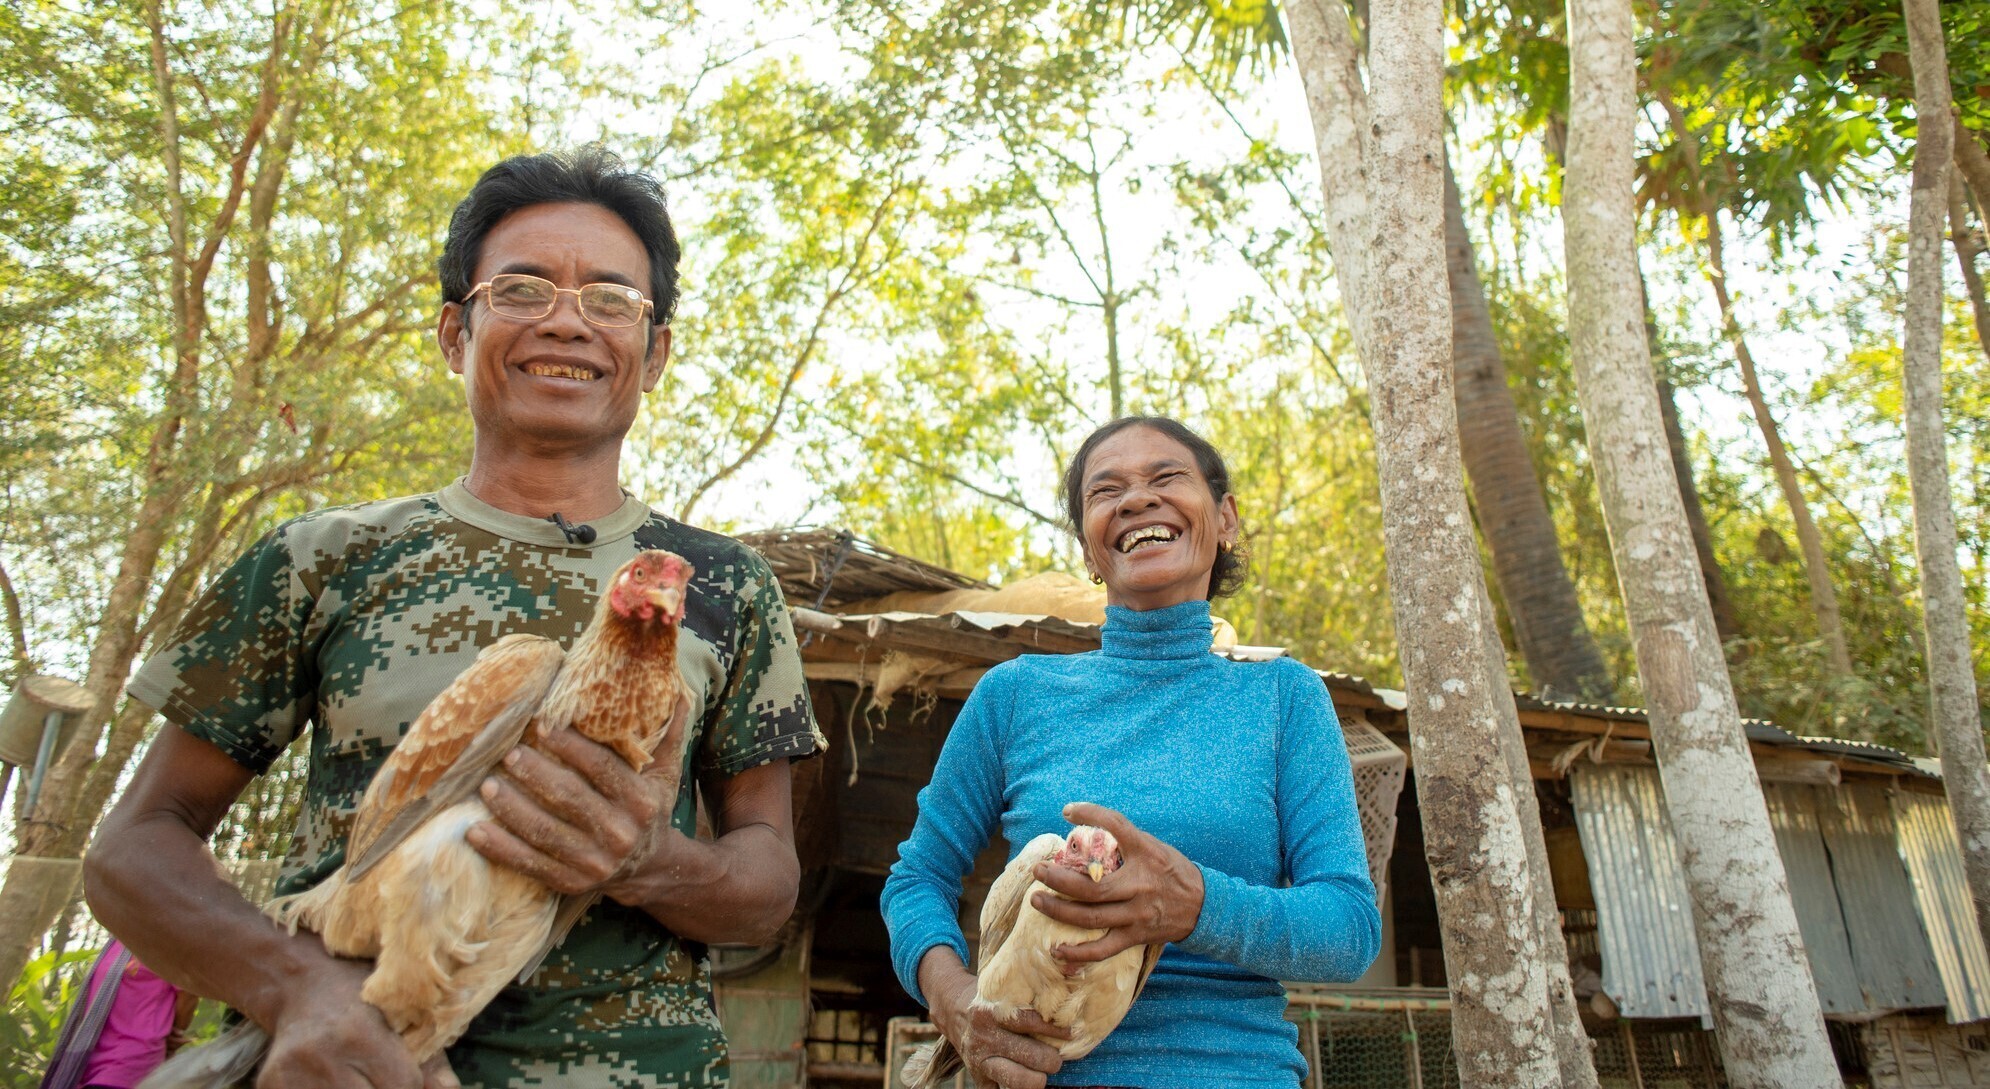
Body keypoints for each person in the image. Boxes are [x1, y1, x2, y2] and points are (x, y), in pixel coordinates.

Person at [84, 147, 823, 1089]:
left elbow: (767, 885)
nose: (567, 319)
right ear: (453, 332)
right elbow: (134, 842)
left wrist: (646, 859)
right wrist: (295, 988)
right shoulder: (323, 558)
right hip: (348, 1068)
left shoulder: (722, 582)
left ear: (657, 349)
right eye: (521, 288)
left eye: (611, 299)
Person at [880, 416, 1381, 1089]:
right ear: (1089, 550)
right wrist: (956, 1001)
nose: (1137, 499)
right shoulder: (1014, 696)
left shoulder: (1285, 699)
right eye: (1106, 489)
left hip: (1234, 1072)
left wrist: (1194, 904)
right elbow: (916, 881)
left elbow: (1348, 928)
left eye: (1167, 477)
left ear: (1225, 517)